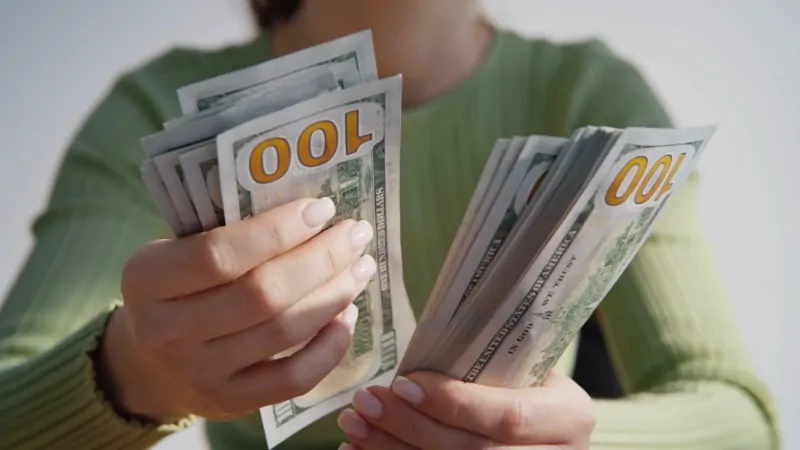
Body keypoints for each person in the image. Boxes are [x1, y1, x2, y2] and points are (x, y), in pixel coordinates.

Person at [0, 0, 780, 449]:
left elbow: (738, 416)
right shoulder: (152, 111)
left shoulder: (588, 94)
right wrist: (131, 374)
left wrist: (579, 444)